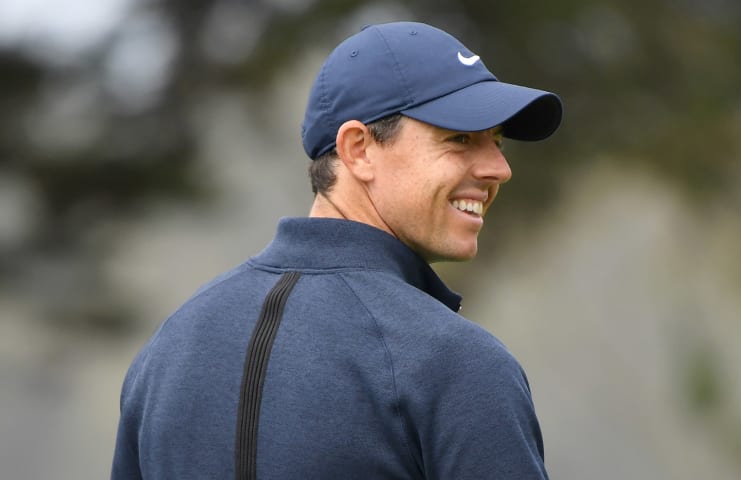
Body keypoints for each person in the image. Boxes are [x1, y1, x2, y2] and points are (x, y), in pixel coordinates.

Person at [111, 21, 562, 479]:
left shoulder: (170, 348)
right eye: (459, 138)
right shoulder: (457, 366)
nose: (499, 168)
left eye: (498, 141)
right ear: (358, 150)